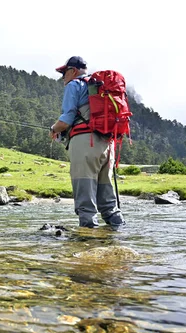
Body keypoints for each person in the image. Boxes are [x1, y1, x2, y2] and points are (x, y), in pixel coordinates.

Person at [49, 56, 125, 230]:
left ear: (73, 71)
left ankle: (87, 241)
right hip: (108, 144)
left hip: (85, 144)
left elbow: (66, 120)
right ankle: (119, 234)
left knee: (85, 200)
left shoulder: (74, 85)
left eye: (64, 73)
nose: (62, 78)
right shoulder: (99, 87)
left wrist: (53, 129)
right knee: (108, 201)